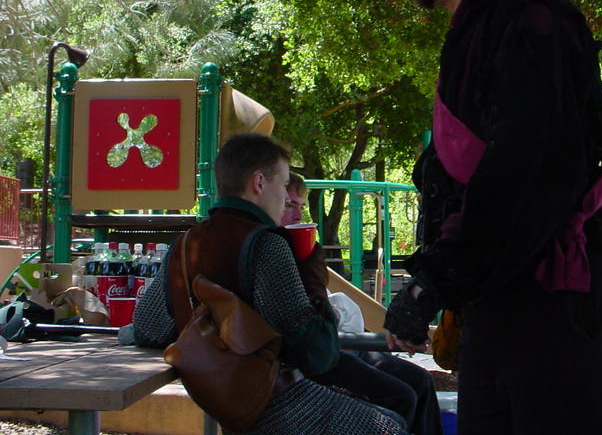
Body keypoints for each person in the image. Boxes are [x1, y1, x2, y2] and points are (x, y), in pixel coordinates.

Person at [383, 0, 602, 434]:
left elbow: (528, 172)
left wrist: (436, 280)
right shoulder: (479, 26)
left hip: (562, 295)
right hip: (506, 297)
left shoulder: (533, 20)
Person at [133, 133, 407, 434]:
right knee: (391, 426)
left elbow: (148, 328)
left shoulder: (185, 244)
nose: (285, 196)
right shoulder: (267, 245)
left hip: (219, 399)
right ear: (259, 183)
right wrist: (314, 279)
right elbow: (316, 354)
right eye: (283, 184)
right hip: (275, 402)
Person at [281, 173, 443, 435]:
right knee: (400, 395)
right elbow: (302, 319)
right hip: (310, 356)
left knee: (420, 379)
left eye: (300, 206)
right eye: (289, 205)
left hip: (329, 343)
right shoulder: (269, 249)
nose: (298, 215)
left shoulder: (302, 250)